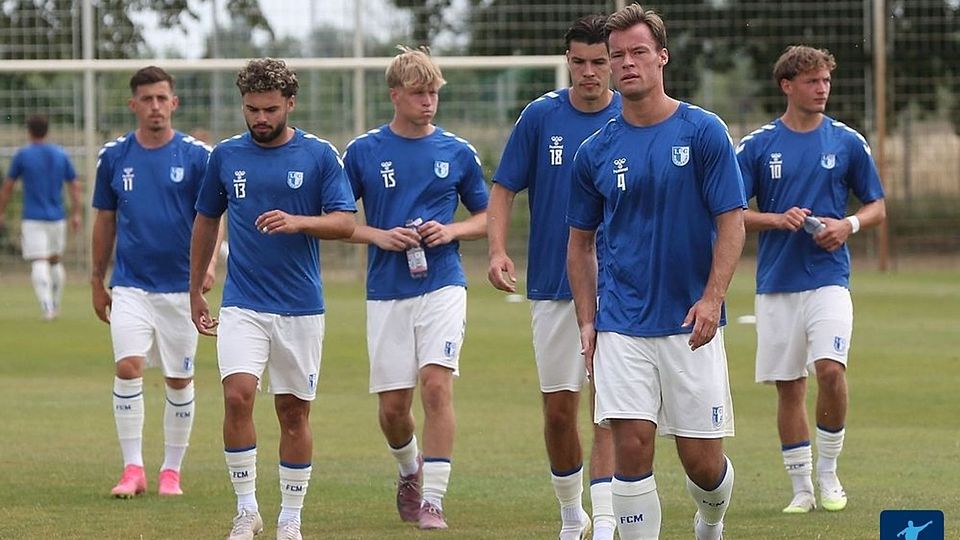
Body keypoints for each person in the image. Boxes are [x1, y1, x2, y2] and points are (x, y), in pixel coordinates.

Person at [566, 4, 746, 539]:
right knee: (632, 444)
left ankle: (710, 520)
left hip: (692, 323)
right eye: (617, 55)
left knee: (702, 464)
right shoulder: (594, 152)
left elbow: (732, 223)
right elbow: (578, 246)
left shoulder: (704, 131)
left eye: (638, 52)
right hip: (621, 323)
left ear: (662, 56)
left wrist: (713, 299)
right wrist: (587, 321)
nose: (626, 63)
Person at [190, 58, 357, 540]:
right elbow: (205, 219)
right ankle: (246, 511)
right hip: (243, 302)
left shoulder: (320, 155)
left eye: (268, 109)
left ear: (290, 103)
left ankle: (290, 517)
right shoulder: (224, 156)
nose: (260, 118)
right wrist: (196, 286)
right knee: (237, 395)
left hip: (301, 305)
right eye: (251, 109)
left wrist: (299, 221)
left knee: (293, 412)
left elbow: (345, 221)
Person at [342, 46, 488, 531]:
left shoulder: (457, 151)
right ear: (395, 95)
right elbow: (338, 219)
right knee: (392, 409)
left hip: (443, 283)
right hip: (387, 289)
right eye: (419, 93)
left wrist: (452, 232)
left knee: (436, 386)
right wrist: (377, 235)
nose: (428, 102)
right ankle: (410, 471)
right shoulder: (363, 151)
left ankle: (434, 501)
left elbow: (490, 217)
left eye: (434, 94)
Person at [735, 45, 886, 514]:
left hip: (828, 279)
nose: (822, 89)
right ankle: (800, 487)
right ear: (787, 86)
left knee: (831, 371)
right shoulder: (758, 146)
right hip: (777, 282)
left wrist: (848, 226)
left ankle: (828, 473)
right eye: (812, 81)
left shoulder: (846, 141)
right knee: (789, 386)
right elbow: (732, 214)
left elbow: (877, 205)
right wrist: (777, 219)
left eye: (825, 81)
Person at [486, 14, 620, 540]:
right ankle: (571, 515)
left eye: (600, 62)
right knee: (561, 411)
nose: (590, 73)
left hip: (620, 287)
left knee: (610, 408)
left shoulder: (629, 119)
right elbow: (503, 188)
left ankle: (607, 520)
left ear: (613, 62)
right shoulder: (540, 117)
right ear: (568, 62)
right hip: (551, 285)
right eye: (580, 62)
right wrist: (496, 250)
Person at [91, 66, 215, 499]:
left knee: (179, 379)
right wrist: (95, 278)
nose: (155, 107)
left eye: (162, 98)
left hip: (181, 289)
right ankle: (132, 469)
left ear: (174, 103)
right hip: (130, 285)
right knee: (128, 366)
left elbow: (212, 218)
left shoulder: (197, 156)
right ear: (134, 105)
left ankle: (171, 472)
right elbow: (105, 220)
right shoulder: (114, 156)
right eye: (147, 99)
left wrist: (208, 268)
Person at [0, 115, 81, 320]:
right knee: (54, 260)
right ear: (48, 130)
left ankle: (47, 307)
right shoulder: (60, 154)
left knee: (39, 260)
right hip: (57, 216)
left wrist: (1, 211)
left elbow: (8, 186)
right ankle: (55, 302)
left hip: (33, 217)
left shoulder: (23, 155)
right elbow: (74, 184)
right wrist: (76, 212)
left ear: (29, 131)